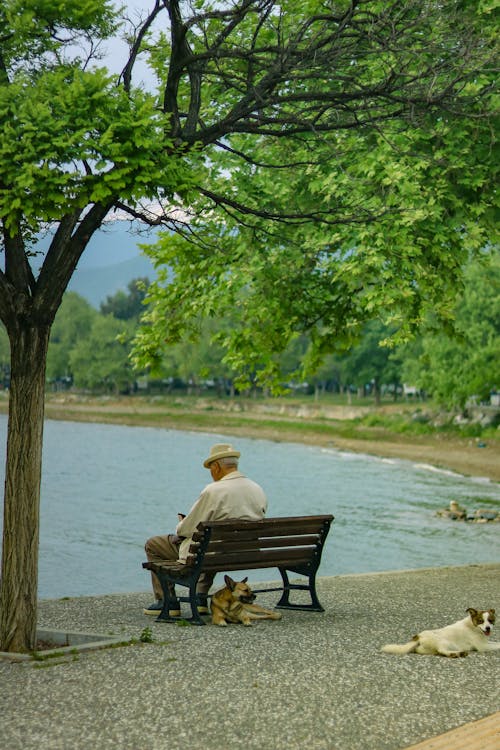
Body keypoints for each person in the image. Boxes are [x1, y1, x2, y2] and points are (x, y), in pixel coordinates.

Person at [143, 443, 267, 616]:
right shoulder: (257, 488)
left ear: (216, 467)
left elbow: (185, 530)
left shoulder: (214, 490)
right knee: (213, 544)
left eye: (210, 468)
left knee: (154, 544)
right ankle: (200, 597)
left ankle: (167, 602)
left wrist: (182, 523)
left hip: (211, 553)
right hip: (244, 553)